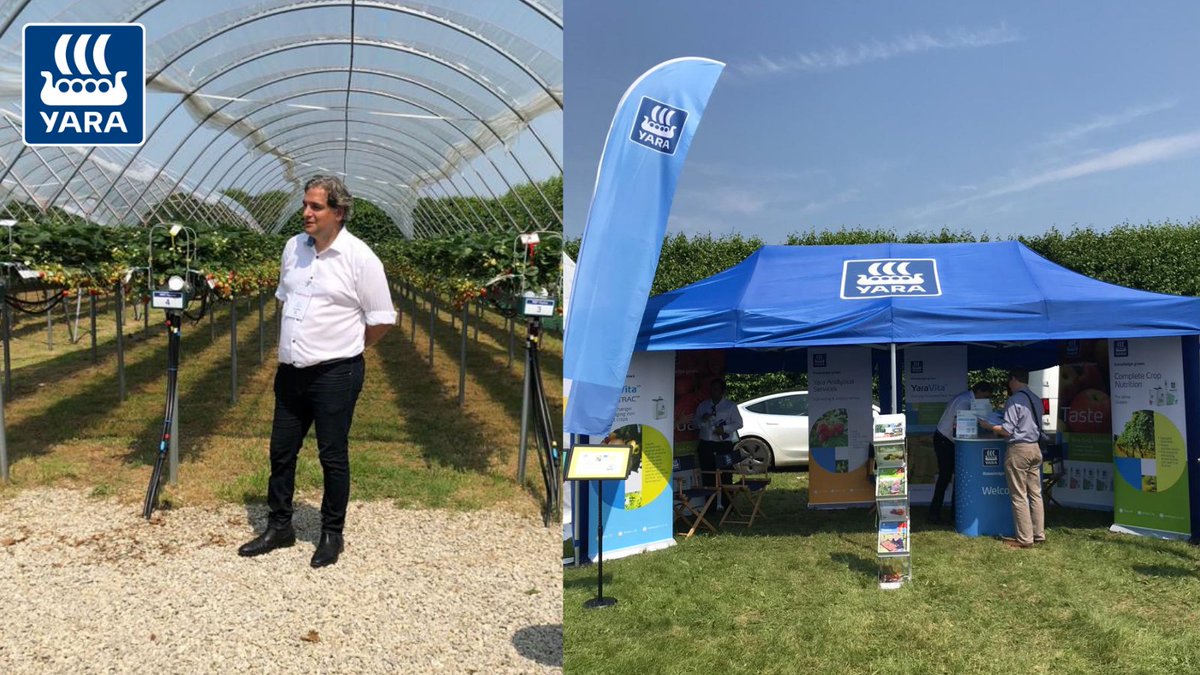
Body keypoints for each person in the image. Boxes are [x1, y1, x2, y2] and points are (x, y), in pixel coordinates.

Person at [239, 175, 396, 568]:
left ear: (338, 213)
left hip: (335, 374)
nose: (306, 212)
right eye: (305, 205)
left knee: (332, 455)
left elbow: (382, 320)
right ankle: (280, 527)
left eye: (316, 207)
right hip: (291, 371)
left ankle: (331, 534)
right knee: (281, 451)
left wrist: (347, 347)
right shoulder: (293, 248)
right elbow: (285, 298)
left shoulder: (361, 259)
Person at [978, 369, 1045, 549]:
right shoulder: (1036, 399)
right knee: (1036, 493)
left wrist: (989, 425)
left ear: (1014, 379)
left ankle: (1024, 539)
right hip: (1035, 448)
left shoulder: (1014, 400)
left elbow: (1007, 430)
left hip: (1019, 450)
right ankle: (1038, 534)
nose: (1008, 385)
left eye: (1009, 381)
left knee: (1019, 495)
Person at [929, 382, 994, 523]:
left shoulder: (967, 399)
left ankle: (954, 513)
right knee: (945, 476)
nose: (985, 400)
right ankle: (934, 514)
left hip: (948, 440)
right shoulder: (964, 401)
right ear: (979, 391)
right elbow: (960, 427)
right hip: (945, 440)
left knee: (956, 477)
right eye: (985, 396)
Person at [693, 378, 742, 509]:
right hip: (706, 444)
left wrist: (724, 429)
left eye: (716, 389)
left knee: (726, 475)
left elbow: (739, 423)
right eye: (711, 389)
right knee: (708, 475)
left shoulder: (730, 406)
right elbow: (694, 424)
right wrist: (702, 420)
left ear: (722, 391)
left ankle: (728, 505)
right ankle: (710, 506)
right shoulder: (703, 405)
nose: (713, 392)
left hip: (723, 445)